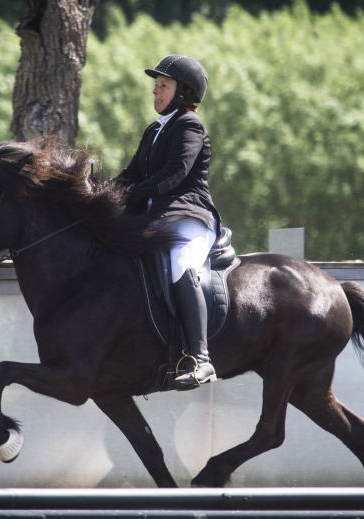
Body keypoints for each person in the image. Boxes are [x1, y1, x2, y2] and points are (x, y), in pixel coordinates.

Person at [114, 55, 221, 388]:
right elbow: (131, 175)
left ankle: (201, 359)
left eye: (164, 86)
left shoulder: (189, 125)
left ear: (183, 93)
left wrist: (131, 196)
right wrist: (99, 193)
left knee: (179, 263)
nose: (155, 92)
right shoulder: (156, 129)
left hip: (188, 215)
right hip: (157, 218)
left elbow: (175, 174)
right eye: (155, 86)